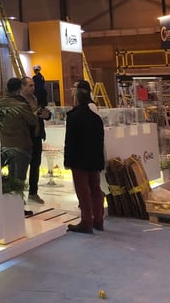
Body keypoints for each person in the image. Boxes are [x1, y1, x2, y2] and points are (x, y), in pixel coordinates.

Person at [64, 88, 105, 234]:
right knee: (95, 189)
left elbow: (70, 141)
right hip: (94, 159)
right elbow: (100, 140)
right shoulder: (96, 118)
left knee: (83, 191)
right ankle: (98, 220)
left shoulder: (74, 116)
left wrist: (67, 160)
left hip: (79, 159)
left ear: (77, 99)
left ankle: (86, 221)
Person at [0, 77, 39, 185]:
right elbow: (32, 121)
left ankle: (12, 195)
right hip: (21, 144)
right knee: (20, 179)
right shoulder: (21, 104)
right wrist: (36, 113)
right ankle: (18, 195)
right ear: (20, 88)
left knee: (11, 175)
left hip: (6, 144)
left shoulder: (1, 103)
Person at [22, 76, 51, 204]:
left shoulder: (35, 98)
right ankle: (19, 195)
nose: (33, 88)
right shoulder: (20, 101)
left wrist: (45, 115)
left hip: (37, 136)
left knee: (35, 165)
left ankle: (33, 192)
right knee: (23, 167)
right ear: (22, 87)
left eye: (33, 85)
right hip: (25, 137)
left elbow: (40, 115)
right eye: (30, 85)